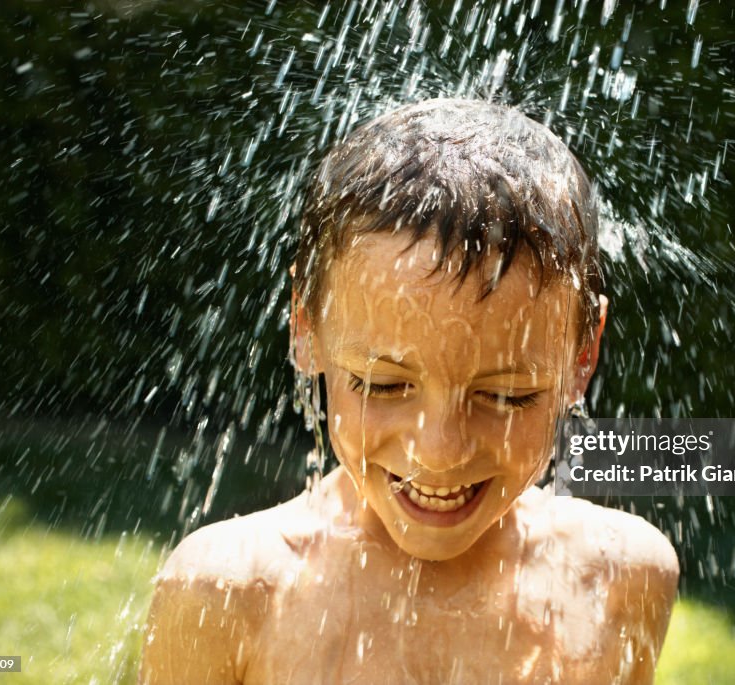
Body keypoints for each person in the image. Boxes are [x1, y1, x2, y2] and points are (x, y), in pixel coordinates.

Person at [138, 98, 678, 685]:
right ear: (305, 326)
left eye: (507, 396)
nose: (439, 452)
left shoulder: (621, 580)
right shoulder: (230, 595)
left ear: (583, 355)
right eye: (382, 384)